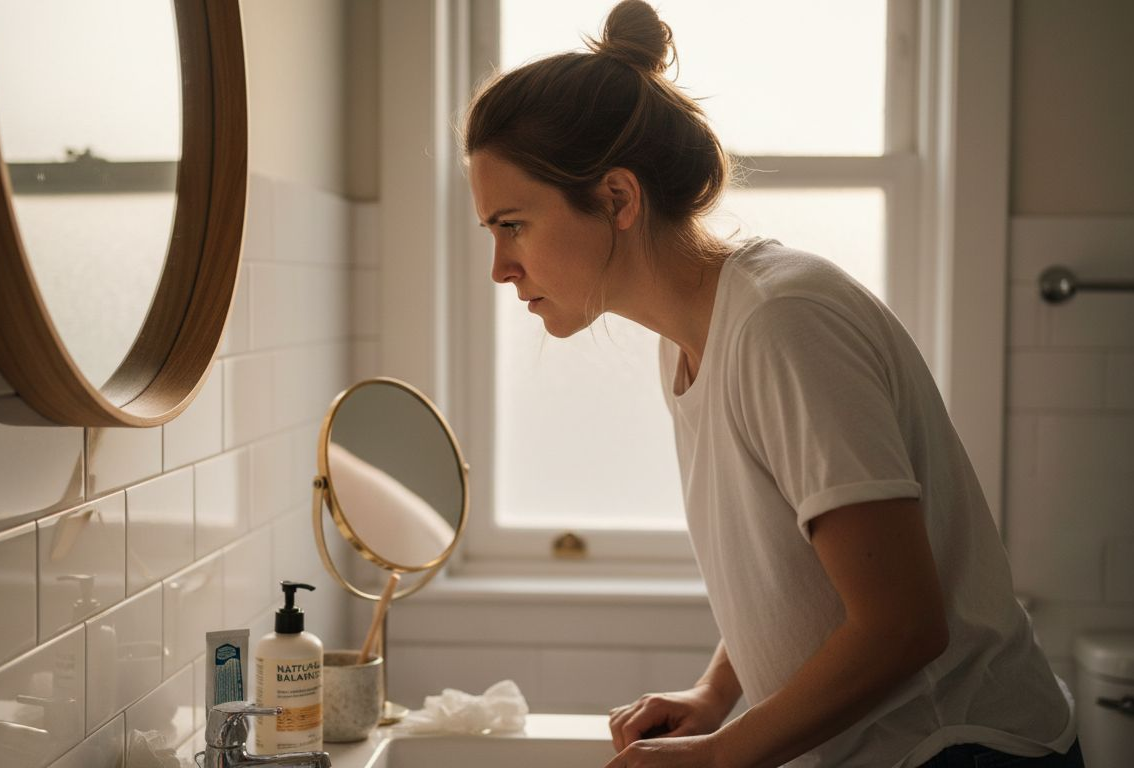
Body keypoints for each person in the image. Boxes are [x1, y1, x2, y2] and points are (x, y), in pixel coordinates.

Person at [462, 2, 1082, 766]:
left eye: (512, 225)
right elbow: (807, 559)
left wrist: (722, 756)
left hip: (964, 750)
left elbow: (903, 625)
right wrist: (714, 695)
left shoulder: (783, 321)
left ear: (619, 199)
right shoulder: (695, 337)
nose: (501, 268)